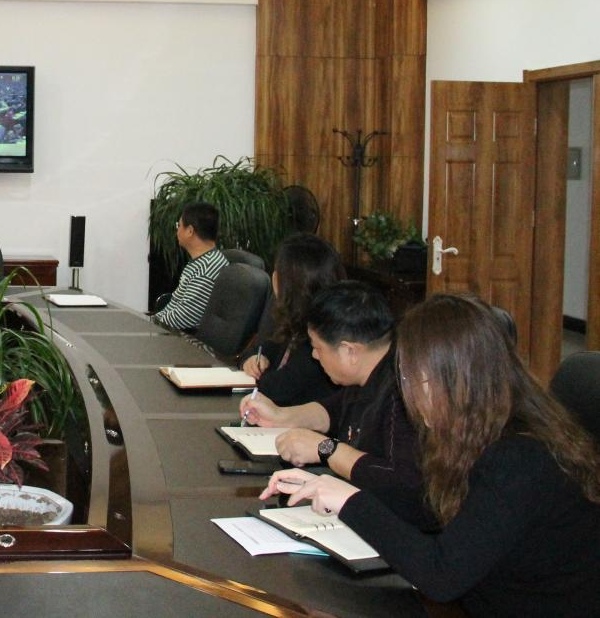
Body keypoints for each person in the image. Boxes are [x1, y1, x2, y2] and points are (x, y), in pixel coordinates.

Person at [261, 295, 600, 618]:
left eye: (411, 377)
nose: (407, 393)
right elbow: (426, 510)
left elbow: (441, 576)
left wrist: (348, 500)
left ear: (453, 378)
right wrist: (329, 488)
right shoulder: (478, 427)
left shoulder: (519, 457)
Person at [241, 281, 426, 524]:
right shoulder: (370, 370)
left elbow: (401, 481)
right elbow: (335, 410)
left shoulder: (403, 392)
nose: (314, 355)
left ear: (350, 351)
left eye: (318, 348)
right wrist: (280, 416)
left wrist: (326, 449)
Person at [239, 234, 345, 405]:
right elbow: (258, 350)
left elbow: (278, 390)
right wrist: (250, 360)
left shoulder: (321, 338)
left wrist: (259, 374)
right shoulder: (293, 319)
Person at [152, 201, 228, 331]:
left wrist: (150, 325)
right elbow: (174, 304)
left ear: (190, 231)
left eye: (179, 225)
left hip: (185, 339)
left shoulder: (206, 269)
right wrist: (152, 320)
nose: (177, 230)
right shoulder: (200, 262)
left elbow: (183, 318)